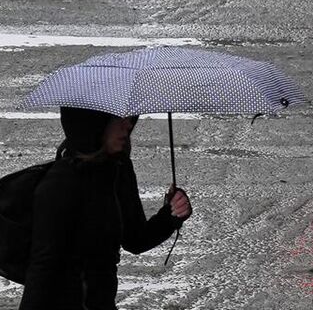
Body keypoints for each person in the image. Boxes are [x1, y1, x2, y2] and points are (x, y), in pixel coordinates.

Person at [20, 107, 193, 310]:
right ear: (95, 122)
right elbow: (42, 271)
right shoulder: (60, 184)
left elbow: (135, 239)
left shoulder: (118, 169)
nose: (128, 125)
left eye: (130, 118)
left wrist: (170, 215)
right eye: (119, 119)